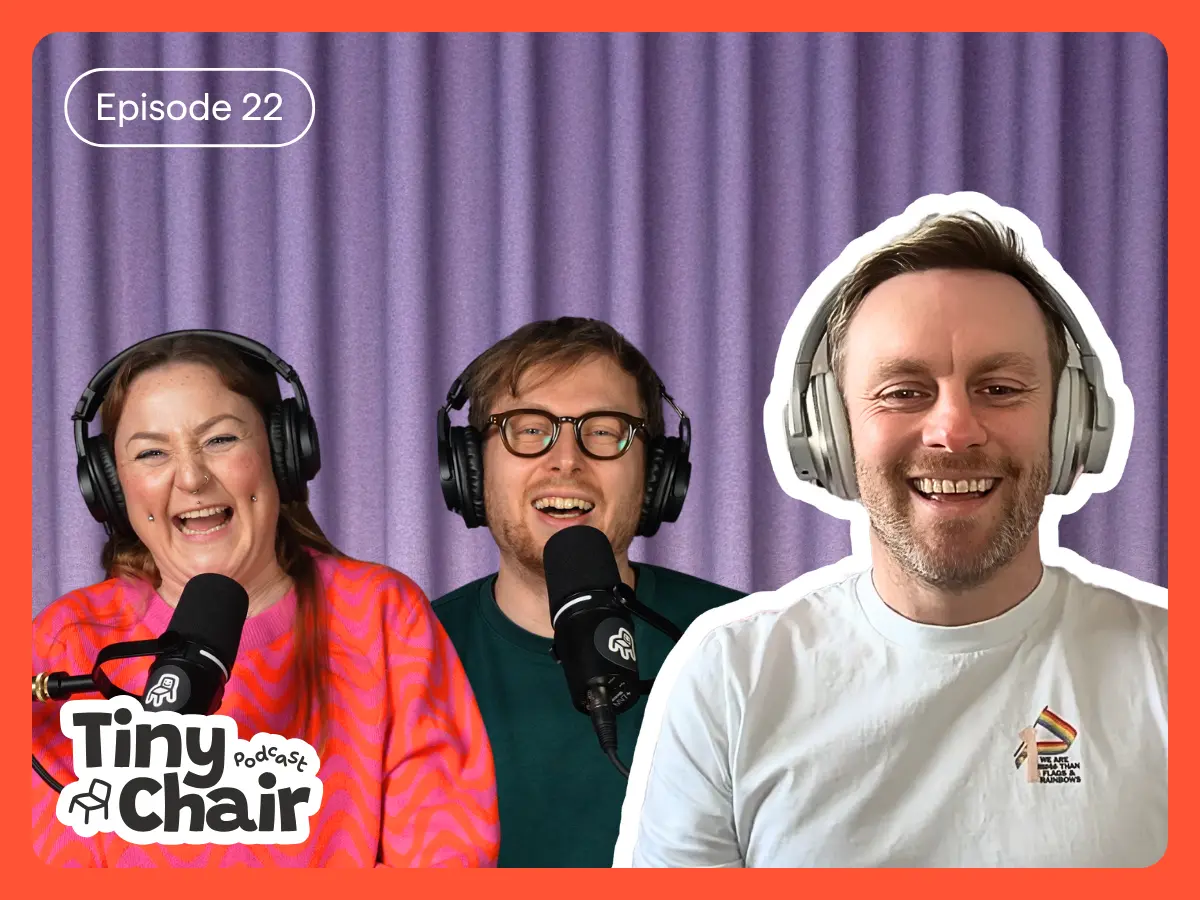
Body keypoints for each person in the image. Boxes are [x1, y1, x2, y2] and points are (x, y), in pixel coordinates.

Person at [615, 207, 1167, 867]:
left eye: (1000, 388)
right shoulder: (731, 679)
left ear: (1071, 422)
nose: (953, 430)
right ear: (829, 433)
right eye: (904, 392)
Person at [32, 330, 500, 867]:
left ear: (282, 455)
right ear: (112, 489)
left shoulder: (382, 616)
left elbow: (446, 855)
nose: (191, 477)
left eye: (221, 440)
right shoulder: (67, 643)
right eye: (152, 452)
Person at [432, 317, 745, 867]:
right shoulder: (406, 657)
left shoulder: (747, 643)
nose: (566, 460)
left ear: (656, 476)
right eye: (528, 429)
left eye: (605, 431)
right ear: (470, 470)